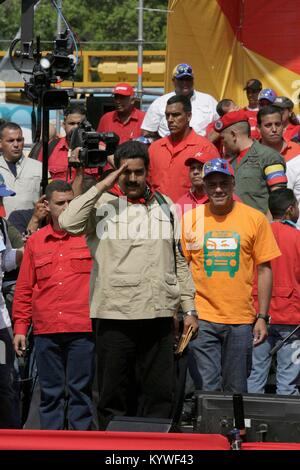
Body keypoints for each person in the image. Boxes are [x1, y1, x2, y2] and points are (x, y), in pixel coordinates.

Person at [59, 140, 198, 430]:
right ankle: (115, 452)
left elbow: (178, 259)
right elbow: (67, 222)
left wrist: (189, 308)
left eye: (138, 172)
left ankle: (154, 452)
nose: (133, 179)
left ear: (148, 171)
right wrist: (101, 185)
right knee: (113, 395)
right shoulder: (100, 205)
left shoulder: (166, 205)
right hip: (115, 315)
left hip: (158, 316)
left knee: (159, 394)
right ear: (116, 173)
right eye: (126, 173)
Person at [181, 158, 281, 393]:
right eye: (212, 183)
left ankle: (234, 431)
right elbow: (181, 269)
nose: (218, 189)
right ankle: (208, 431)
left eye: (223, 183)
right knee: (207, 388)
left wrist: (262, 317)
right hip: (202, 318)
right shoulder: (190, 219)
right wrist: (185, 313)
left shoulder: (254, 219)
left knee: (236, 389)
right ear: (204, 186)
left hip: (240, 320)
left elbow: (265, 269)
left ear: (233, 184)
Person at [13, 180, 95, 430]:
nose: (67, 207)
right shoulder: (36, 242)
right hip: (47, 329)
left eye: (71, 201)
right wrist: (19, 327)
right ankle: (52, 444)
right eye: (61, 203)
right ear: (47, 205)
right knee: (50, 394)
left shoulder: (89, 237)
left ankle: (81, 446)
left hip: (82, 328)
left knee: (81, 394)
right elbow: (25, 287)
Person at [248, 189, 300, 395]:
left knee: (255, 375)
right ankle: (287, 426)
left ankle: (250, 421)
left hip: (259, 315)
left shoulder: (257, 237)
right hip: (291, 317)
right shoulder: (297, 238)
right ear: (290, 210)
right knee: (289, 379)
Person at [214, 109, 287, 214]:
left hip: (260, 227)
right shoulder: (230, 163)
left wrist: (268, 226)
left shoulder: (268, 157)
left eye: (223, 138)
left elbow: (279, 197)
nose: (223, 143)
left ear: (233, 135)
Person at [148, 95, 218, 203]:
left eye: (176, 115)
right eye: (167, 115)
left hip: (192, 214)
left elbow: (216, 186)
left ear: (189, 116)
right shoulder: (154, 148)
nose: (170, 120)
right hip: (158, 215)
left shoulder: (206, 148)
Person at [0, 176, 23, 428]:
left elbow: (4, 261)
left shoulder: (1, 225)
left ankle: (11, 437)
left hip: (0, 324)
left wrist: (27, 253)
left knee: (5, 379)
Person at [141, 63, 218, 138]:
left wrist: (207, 143)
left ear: (193, 80)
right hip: (170, 148)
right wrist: (163, 146)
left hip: (202, 148)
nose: (185, 83)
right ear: (173, 81)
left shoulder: (208, 101)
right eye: (181, 79)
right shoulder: (160, 103)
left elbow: (222, 124)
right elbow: (147, 131)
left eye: (188, 79)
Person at [36, 104, 98, 181]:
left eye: (80, 124)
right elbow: (37, 178)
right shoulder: (49, 147)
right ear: (64, 125)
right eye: (71, 123)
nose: (75, 127)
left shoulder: (98, 148)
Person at [0, 122, 43, 217]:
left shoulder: (39, 168)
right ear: (0, 143)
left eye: (19, 140)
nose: (16, 144)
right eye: (10, 141)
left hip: (32, 228)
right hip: (3, 229)